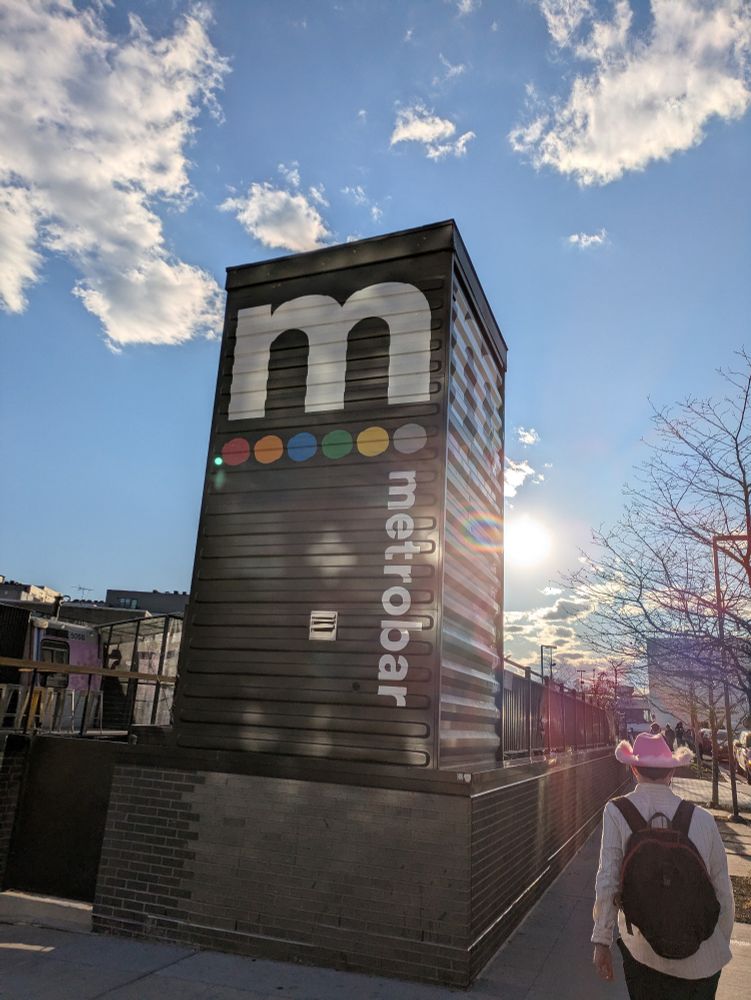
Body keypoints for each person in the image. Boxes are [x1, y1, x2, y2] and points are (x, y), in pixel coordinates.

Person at [592, 733, 734, 998]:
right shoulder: (703, 820)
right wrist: (713, 943)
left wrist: (602, 941)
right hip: (702, 965)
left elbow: (608, 880)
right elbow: (724, 894)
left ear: (634, 769)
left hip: (643, 954)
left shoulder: (617, 812)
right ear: (671, 772)